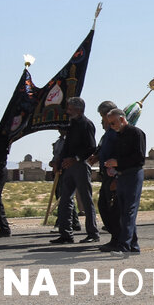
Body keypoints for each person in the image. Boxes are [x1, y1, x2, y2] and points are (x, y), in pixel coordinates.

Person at [51, 97, 99, 244]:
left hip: (80, 165)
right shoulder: (71, 125)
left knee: (86, 200)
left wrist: (76, 158)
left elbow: (91, 147)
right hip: (68, 167)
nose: (67, 111)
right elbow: (67, 146)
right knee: (65, 200)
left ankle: (93, 233)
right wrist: (60, 160)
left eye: (70, 108)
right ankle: (66, 234)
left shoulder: (86, 124)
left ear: (78, 109)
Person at [101, 108, 146, 253]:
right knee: (122, 210)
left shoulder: (136, 133)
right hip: (122, 175)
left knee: (129, 210)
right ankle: (133, 245)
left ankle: (124, 245)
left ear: (121, 119)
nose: (112, 126)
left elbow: (139, 158)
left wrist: (117, 162)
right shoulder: (118, 136)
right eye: (110, 124)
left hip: (133, 174)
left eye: (113, 123)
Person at [91, 100, 119, 236]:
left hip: (114, 175)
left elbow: (120, 155)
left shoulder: (117, 133)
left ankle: (118, 236)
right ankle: (114, 233)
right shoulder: (107, 134)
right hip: (106, 175)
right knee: (104, 205)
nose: (102, 121)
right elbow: (103, 150)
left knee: (111, 206)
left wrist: (117, 177)